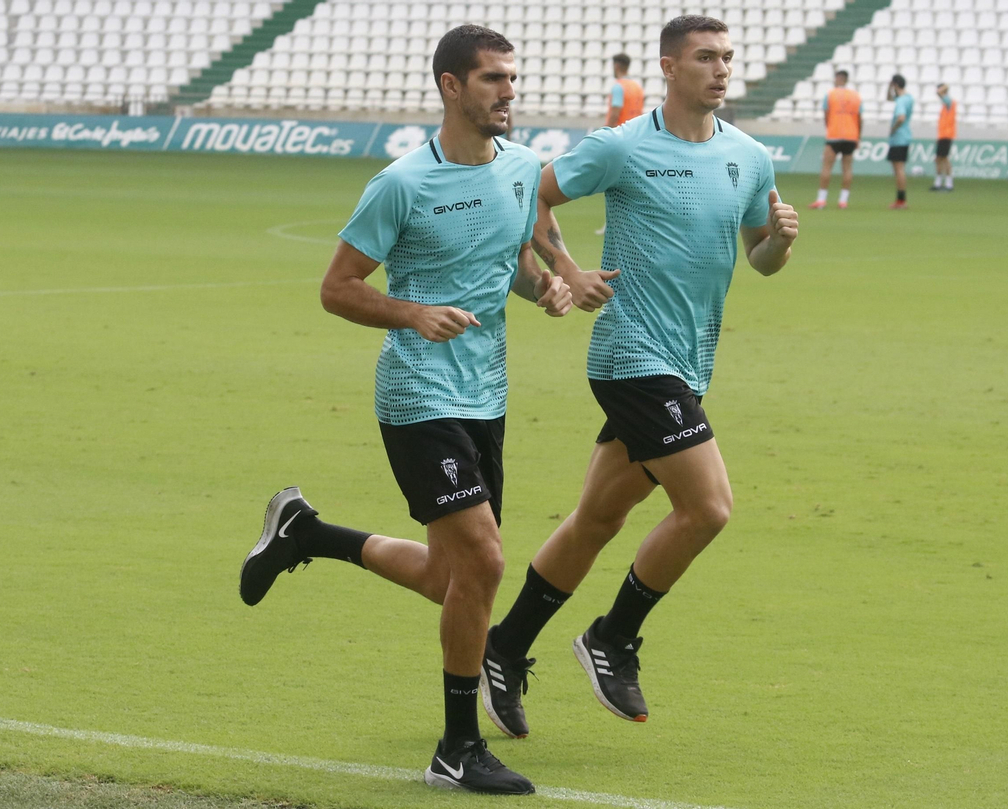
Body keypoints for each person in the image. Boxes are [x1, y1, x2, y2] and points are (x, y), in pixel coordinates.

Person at [236, 25, 571, 795]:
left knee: (450, 579)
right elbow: (338, 287)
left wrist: (546, 287)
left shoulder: (523, 170)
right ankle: (458, 746)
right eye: (493, 79)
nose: (508, 92)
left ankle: (305, 532)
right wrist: (412, 313)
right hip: (418, 396)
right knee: (485, 561)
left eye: (512, 79)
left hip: (487, 395)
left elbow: (513, 259)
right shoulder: (402, 184)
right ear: (452, 87)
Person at [480, 15, 800, 739]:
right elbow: (529, 193)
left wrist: (779, 242)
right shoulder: (622, 146)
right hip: (631, 357)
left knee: (598, 517)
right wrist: (567, 269)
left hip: (687, 364)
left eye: (727, 57)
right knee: (709, 507)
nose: (721, 70)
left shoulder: (748, 157)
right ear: (668, 67)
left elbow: (760, 259)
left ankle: (503, 646)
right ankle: (612, 637)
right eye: (705, 58)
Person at [595, 54, 646, 234]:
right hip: (637, 139)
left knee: (613, 182)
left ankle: (613, 223)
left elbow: (616, 112)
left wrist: (605, 134)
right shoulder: (637, 87)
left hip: (620, 138)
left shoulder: (618, 87)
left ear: (616, 65)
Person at [810, 69, 861, 209]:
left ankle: (821, 200)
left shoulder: (830, 94)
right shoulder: (856, 96)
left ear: (838, 78)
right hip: (851, 135)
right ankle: (843, 201)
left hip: (834, 135)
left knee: (827, 166)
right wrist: (858, 136)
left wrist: (830, 127)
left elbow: (826, 115)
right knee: (847, 168)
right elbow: (859, 118)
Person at [885, 73, 913, 209]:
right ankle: (901, 199)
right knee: (899, 169)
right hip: (905, 137)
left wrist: (893, 129)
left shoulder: (901, 101)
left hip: (899, 137)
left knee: (898, 169)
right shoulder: (907, 98)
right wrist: (890, 88)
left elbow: (901, 118)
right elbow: (889, 98)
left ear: (895, 84)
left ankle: (901, 200)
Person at [932, 83, 956, 192]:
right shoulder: (945, 105)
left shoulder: (949, 102)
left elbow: (939, 93)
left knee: (944, 158)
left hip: (947, 135)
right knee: (939, 158)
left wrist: (942, 88)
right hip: (942, 135)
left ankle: (948, 183)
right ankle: (939, 182)